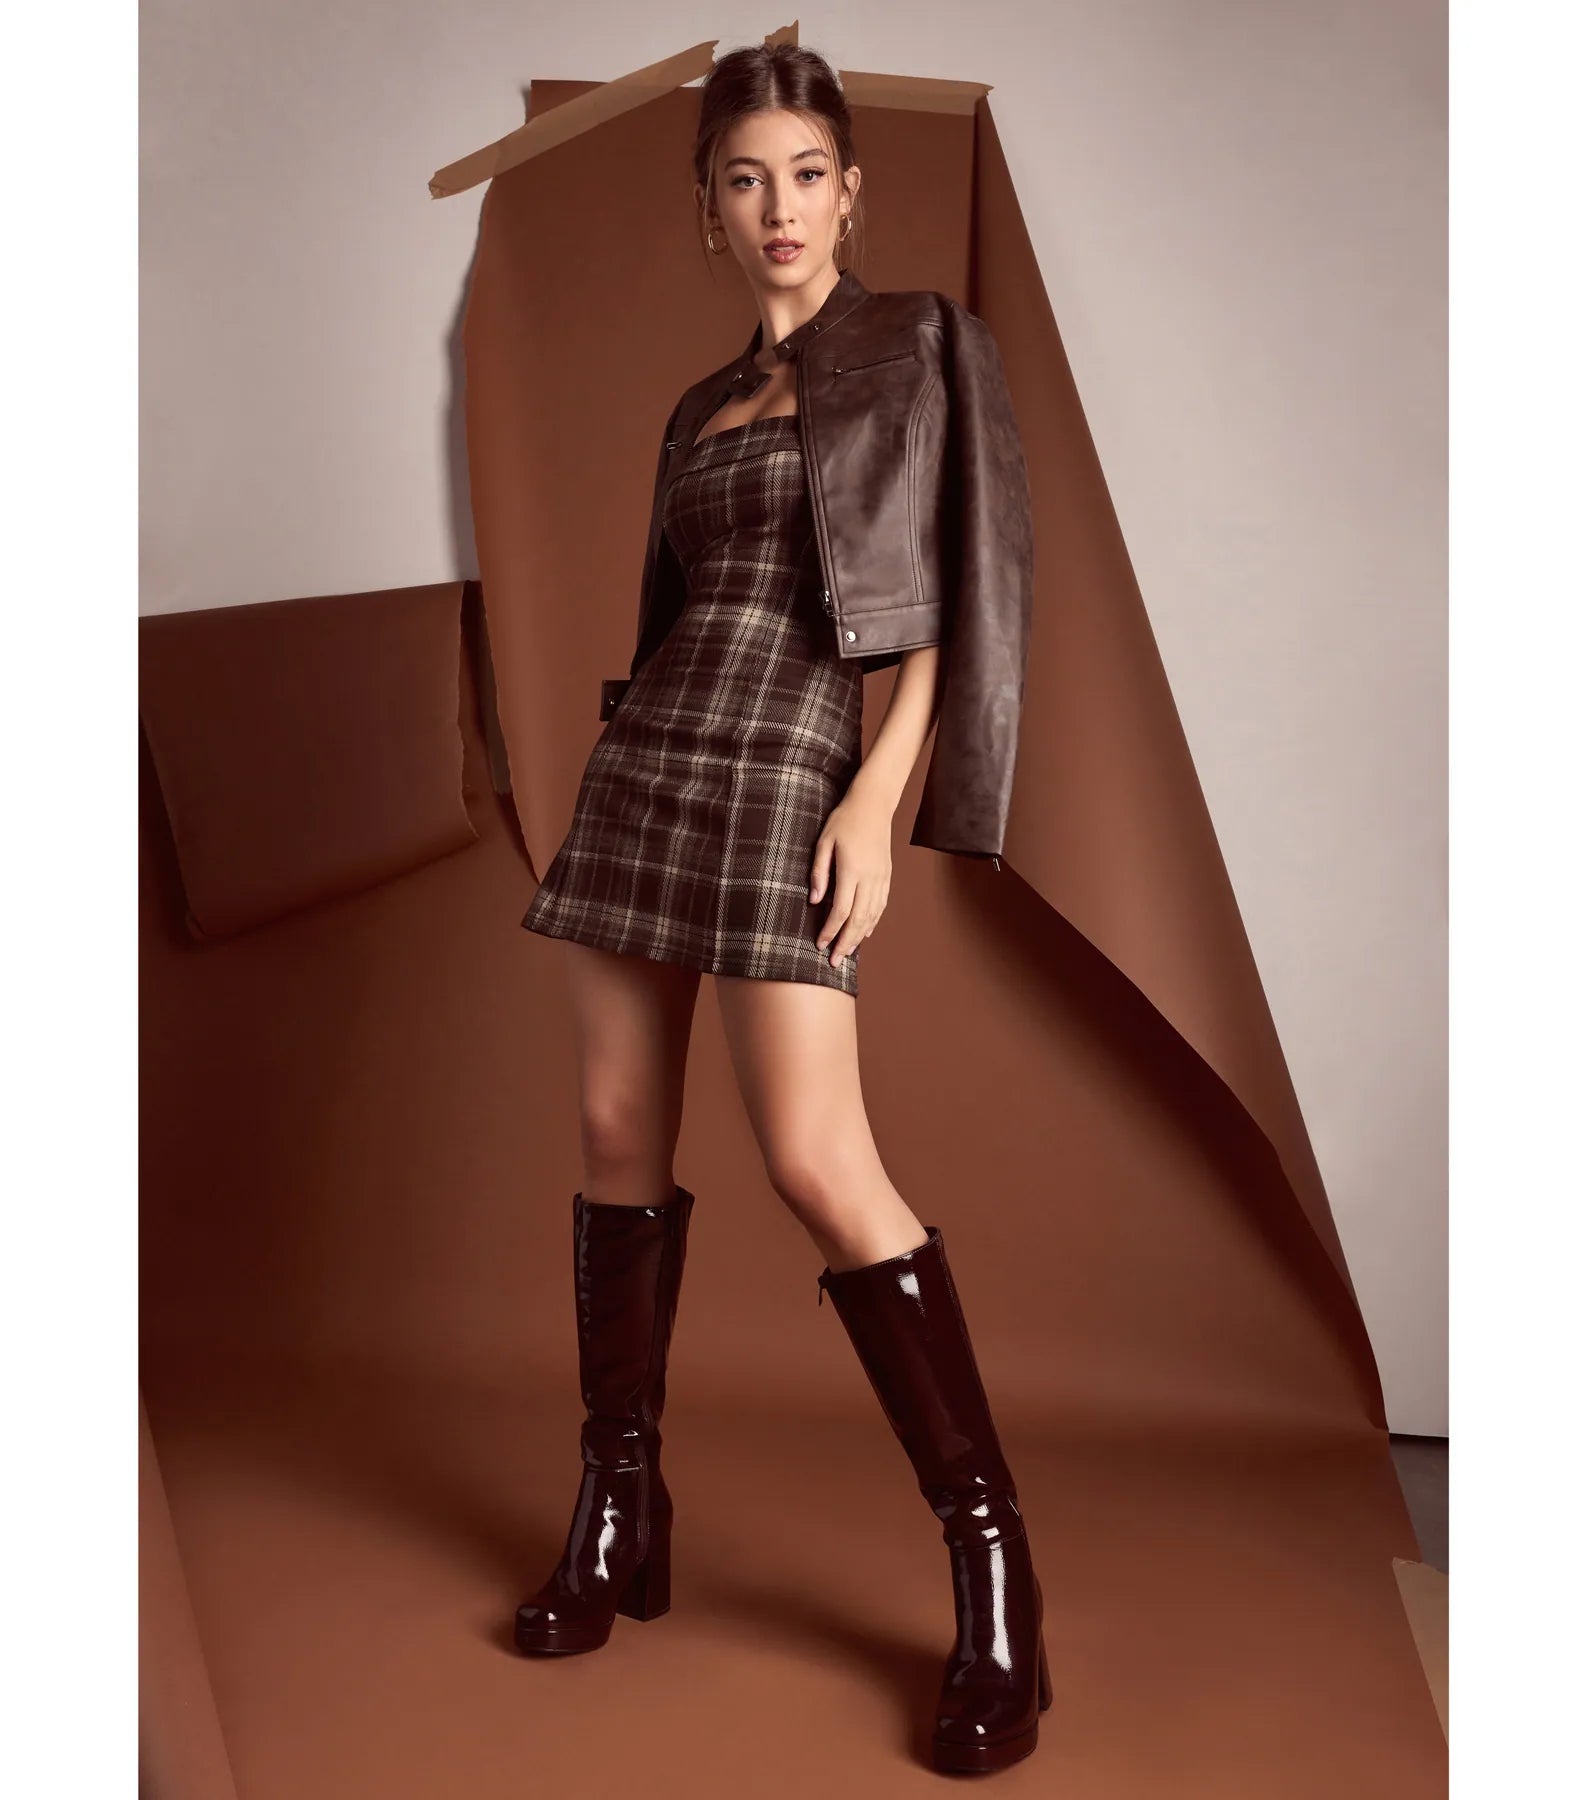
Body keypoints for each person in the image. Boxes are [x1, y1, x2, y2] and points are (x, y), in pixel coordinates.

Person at [513, 41, 1047, 1776]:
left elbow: (954, 594)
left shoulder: (920, 351)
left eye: (805, 173)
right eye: (744, 179)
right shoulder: (696, 406)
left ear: (849, 189)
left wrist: (876, 803)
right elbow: (673, 608)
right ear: (708, 209)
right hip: (653, 753)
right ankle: (619, 1505)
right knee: (613, 1129)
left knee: (817, 1160)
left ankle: (992, 1568)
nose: (778, 208)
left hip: (794, 763)